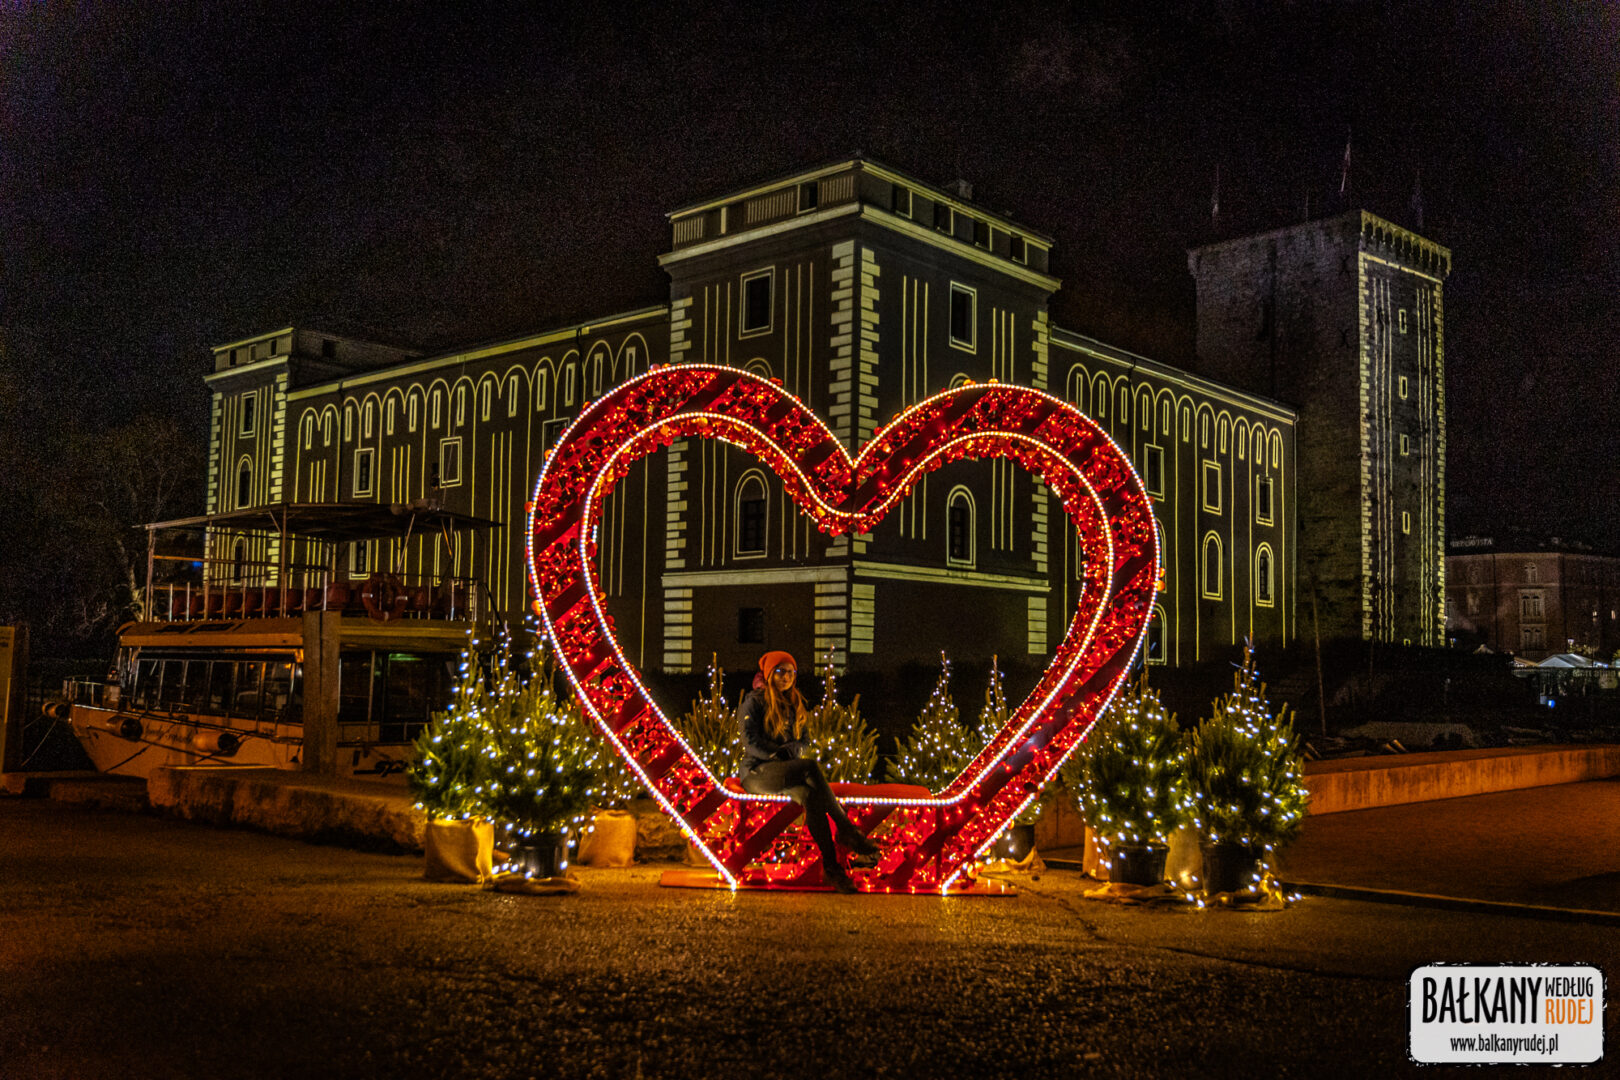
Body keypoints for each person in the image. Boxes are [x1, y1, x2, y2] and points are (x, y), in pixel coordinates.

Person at [736, 650, 881, 893]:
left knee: (812, 797)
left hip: (784, 771)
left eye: (791, 673)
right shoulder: (754, 701)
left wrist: (791, 750)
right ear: (770, 674)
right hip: (757, 773)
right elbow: (750, 742)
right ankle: (847, 830)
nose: (786, 677)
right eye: (780, 671)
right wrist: (778, 753)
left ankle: (832, 868)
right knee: (810, 766)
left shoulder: (793, 704)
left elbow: (803, 741)